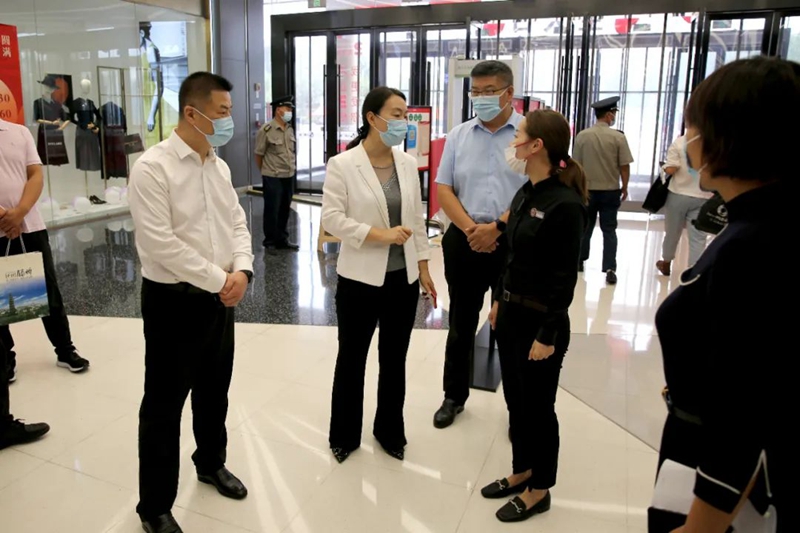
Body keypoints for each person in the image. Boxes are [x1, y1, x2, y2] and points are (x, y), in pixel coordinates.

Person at [651, 56, 793, 532]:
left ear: (726, 134)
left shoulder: (755, 244)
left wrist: (701, 526)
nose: (688, 139)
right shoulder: (756, 220)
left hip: (715, 477)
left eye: (692, 127)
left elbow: (745, 407)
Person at [128, 72, 254, 533]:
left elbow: (237, 223)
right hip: (173, 302)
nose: (229, 119)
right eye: (222, 111)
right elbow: (160, 244)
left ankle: (211, 462)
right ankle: (154, 506)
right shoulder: (152, 168)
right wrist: (221, 278)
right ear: (191, 113)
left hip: (220, 299)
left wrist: (242, 270)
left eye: (229, 111)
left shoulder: (218, 166)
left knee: (214, 389)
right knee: (164, 405)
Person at [480, 109, 587, 523]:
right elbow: (510, 255)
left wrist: (547, 334)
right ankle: (522, 469)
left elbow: (564, 278)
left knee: (539, 408)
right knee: (516, 402)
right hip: (511, 314)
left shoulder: (566, 205)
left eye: (519, 135)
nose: (513, 142)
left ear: (537, 145)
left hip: (542, 324)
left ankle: (540, 488)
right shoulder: (526, 192)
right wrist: (498, 300)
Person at [322, 87, 435, 464]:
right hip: (359, 281)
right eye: (396, 114)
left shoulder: (406, 163)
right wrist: (378, 235)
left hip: (402, 281)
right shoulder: (343, 164)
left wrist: (423, 266)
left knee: (394, 360)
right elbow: (332, 219)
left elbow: (416, 218)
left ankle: (389, 431)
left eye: (405, 114)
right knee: (351, 359)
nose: (404, 121)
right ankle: (344, 435)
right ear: (372, 118)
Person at [432, 60, 527, 429]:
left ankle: (517, 408)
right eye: (476, 91)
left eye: (490, 91)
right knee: (461, 322)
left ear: (509, 93)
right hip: (464, 238)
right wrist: (473, 229)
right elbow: (444, 188)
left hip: (513, 241)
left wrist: (497, 229)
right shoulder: (459, 135)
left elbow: (535, 190)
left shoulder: (527, 135)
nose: (481, 98)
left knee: (512, 327)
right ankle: (453, 396)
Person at [0, 116, 89, 382]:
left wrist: (20, 213)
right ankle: (5, 359)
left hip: (30, 225)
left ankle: (65, 350)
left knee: (49, 290)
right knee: (0, 296)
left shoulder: (19, 132)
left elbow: (36, 175)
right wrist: (6, 218)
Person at [573, 96, 633, 285]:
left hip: (587, 191)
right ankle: (610, 269)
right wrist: (625, 186)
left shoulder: (582, 136)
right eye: (613, 113)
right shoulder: (618, 137)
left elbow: (576, 165)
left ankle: (579, 261)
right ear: (608, 115)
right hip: (610, 191)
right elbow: (624, 166)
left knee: (585, 227)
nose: (614, 117)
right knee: (609, 230)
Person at [655, 134, 712, 275]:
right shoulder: (713, 142)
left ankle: (666, 262)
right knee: (698, 237)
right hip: (703, 196)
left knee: (672, 232)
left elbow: (672, 169)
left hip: (678, 194)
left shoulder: (680, 142)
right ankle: (695, 271)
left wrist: (664, 167)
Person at [255, 95, 298, 252]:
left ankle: (282, 239)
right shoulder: (266, 130)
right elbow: (258, 154)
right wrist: (266, 172)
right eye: (287, 108)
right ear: (278, 110)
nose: (290, 111)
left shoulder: (289, 129)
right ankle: (270, 242)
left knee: (284, 209)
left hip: (288, 175)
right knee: (272, 210)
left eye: (291, 109)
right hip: (272, 176)